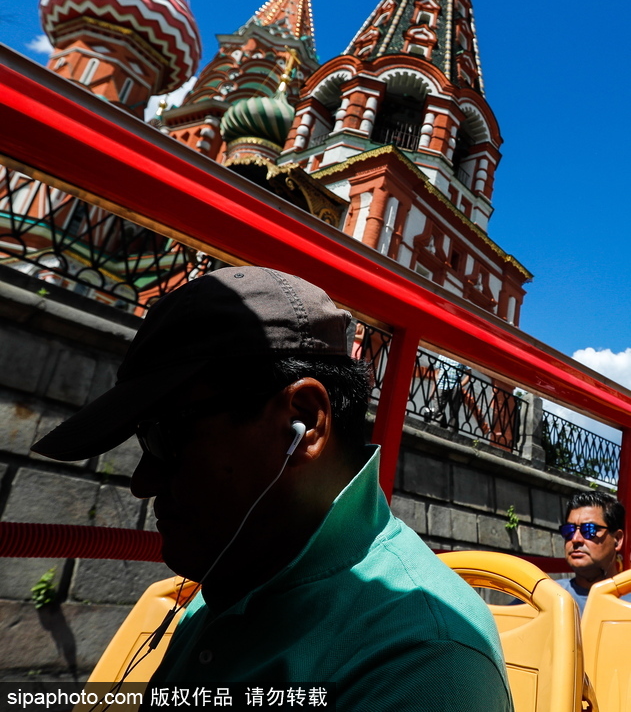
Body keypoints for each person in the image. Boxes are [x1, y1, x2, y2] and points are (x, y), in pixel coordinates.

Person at [32, 266, 513, 711]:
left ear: (303, 422)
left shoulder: (424, 661)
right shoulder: (245, 558)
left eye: (164, 437)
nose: (142, 483)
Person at [557, 490, 630, 615]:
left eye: (589, 530)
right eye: (569, 530)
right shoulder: (545, 596)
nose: (575, 539)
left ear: (617, 539)